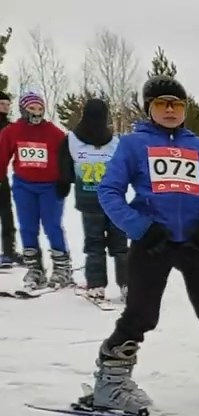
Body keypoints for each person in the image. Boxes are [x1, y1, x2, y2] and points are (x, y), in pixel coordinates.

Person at [87, 75, 199, 414]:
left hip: (195, 244)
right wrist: (142, 229)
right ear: (149, 108)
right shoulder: (133, 145)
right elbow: (109, 191)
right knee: (140, 315)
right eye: (162, 103)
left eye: (177, 103)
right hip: (153, 244)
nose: (171, 109)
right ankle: (110, 382)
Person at [57, 97, 127, 301]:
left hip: (99, 201)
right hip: (107, 202)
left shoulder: (73, 139)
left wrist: (63, 183)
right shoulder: (112, 141)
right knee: (116, 245)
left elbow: (65, 168)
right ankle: (121, 284)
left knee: (97, 244)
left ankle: (102, 285)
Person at [0, 89, 70, 288]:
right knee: (27, 227)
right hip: (24, 186)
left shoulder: (53, 132)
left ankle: (62, 268)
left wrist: (65, 179)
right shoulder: (12, 131)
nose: (37, 112)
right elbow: (2, 156)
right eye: (32, 108)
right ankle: (35, 269)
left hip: (50, 187)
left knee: (52, 226)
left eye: (40, 108)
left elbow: (66, 157)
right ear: (23, 109)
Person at [0, 91, 16, 267]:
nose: (5, 106)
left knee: (6, 215)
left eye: (7, 104)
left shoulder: (10, 127)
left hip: (2, 176)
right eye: (2, 103)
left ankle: (8, 251)